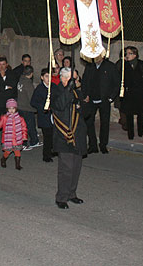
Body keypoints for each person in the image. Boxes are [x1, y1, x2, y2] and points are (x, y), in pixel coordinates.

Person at [51, 67, 87, 209]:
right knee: (66, 168)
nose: (77, 81)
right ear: (64, 79)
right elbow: (59, 105)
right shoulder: (56, 90)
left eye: (77, 78)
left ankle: (72, 193)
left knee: (76, 167)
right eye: (74, 79)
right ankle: (62, 197)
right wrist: (68, 91)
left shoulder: (76, 91)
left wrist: (80, 105)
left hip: (77, 134)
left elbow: (86, 111)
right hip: (64, 134)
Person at [81, 54, 119, 154]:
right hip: (91, 100)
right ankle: (92, 145)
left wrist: (110, 98)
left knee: (104, 123)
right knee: (89, 122)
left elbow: (116, 83)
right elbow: (84, 81)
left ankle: (103, 145)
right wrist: (85, 95)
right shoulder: (89, 66)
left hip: (104, 100)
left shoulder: (110, 66)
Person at [119, 46, 143, 140]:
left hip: (140, 93)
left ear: (134, 54)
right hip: (129, 93)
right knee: (129, 115)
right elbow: (118, 74)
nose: (127, 55)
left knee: (140, 114)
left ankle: (140, 132)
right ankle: (130, 134)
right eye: (126, 53)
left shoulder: (142, 64)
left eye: (129, 53)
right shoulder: (124, 65)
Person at [0, 99, 28, 170]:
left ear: (16, 109)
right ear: (7, 109)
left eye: (13, 108)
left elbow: (24, 128)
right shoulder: (4, 118)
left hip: (17, 139)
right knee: (7, 152)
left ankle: (18, 165)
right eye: (9, 108)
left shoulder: (20, 118)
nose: (11, 110)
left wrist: (24, 136)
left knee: (17, 152)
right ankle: (3, 159)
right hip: (8, 139)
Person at [31, 68, 54, 162]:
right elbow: (33, 102)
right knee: (47, 136)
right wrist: (43, 107)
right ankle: (46, 155)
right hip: (44, 116)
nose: (48, 78)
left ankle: (52, 150)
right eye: (46, 76)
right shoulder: (39, 89)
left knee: (53, 135)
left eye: (50, 76)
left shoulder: (54, 87)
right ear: (42, 77)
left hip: (53, 116)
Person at [17, 65, 40, 150]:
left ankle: (32, 140)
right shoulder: (28, 83)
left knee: (24, 126)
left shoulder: (20, 80)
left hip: (20, 106)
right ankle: (30, 142)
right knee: (29, 126)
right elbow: (32, 97)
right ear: (31, 73)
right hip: (27, 108)